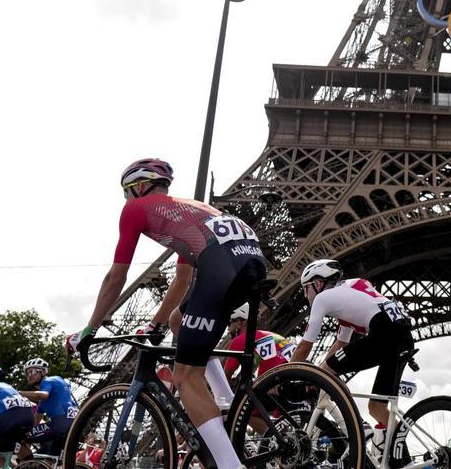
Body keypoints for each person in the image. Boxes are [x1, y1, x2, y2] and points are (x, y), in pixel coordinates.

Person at [66, 158, 267, 469]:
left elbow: (115, 277)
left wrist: (89, 330)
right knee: (178, 320)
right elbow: (183, 279)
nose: (127, 199)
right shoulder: (189, 211)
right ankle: (226, 399)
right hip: (250, 260)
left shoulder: (136, 209)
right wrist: (156, 324)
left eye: (127, 192)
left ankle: (231, 465)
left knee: (185, 376)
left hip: (221, 265)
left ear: (139, 187)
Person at [291, 259, 413, 456]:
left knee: (326, 372)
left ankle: (357, 424)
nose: (305, 295)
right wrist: (321, 371)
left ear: (317, 283)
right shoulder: (349, 291)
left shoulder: (324, 299)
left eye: (306, 289)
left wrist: (282, 375)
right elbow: (341, 344)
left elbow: (306, 345)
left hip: (384, 332)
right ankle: (402, 459)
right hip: (403, 333)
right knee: (377, 407)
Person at [17, 358, 78, 461]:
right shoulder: (45, 401)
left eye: (31, 371)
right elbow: (35, 421)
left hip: (61, 424)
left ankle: (28, 465)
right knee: (51, 460)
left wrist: (19, 393)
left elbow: (43, 395)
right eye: (27, 373)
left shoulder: (49, 381)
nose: (29, 375)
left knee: (17, 438)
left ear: (43, 372)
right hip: (75, 424)